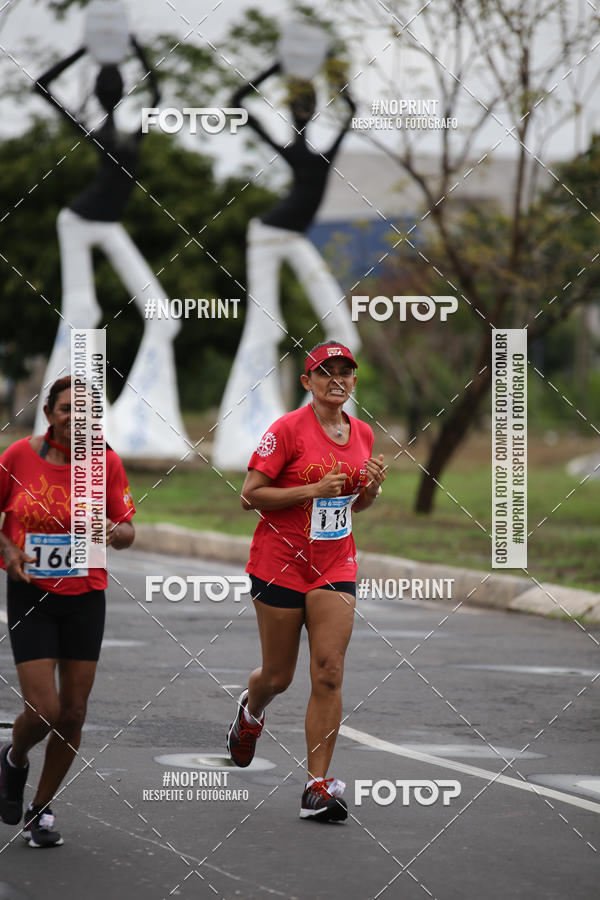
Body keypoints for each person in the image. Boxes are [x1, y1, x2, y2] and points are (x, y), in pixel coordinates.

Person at [227, 341, 386, 822]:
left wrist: (371, 488)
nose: (336, 379)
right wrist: (312, 489)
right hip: (280, 562)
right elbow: (249, 495)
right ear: (307, 382)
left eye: (345, 372)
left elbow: (354, 505)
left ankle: (317, 786)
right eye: (325, 372)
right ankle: (251, 711)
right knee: (278, 676)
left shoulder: (363, 434)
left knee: (329, 671)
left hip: (335, 564)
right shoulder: (287, 430)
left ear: (354, 381)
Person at [32, 38, 190, 457]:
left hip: (108, 224)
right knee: (81, 314)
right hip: (79, 222)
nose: (113, 87)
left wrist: (132, 47)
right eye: (110, 81)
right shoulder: (96, 129)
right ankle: (64, 426)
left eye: (115, 81)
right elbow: (42, 86)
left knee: (164, 316)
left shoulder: (131, 129)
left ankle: (143, 424)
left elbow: (157, 93)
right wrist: (85, 48)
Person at [0, 376, 135, 847]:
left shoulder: (107, 464)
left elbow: (128, 528)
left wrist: (115, 533)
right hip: (31, 595)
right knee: (43, 710)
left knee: (73, 713)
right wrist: (8, 550)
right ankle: (14, 758)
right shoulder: (17, 457)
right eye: (65, 410)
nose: (75, 420)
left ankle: (41, 809)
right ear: (49, 414)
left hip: (85, 597)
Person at [212, 63, 360, 469]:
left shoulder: (323, 149)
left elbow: (352, 110)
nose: (303, 111)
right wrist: (278, 67)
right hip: (265, 236)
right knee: (265, 328)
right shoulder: (292, 148)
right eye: (298, 104)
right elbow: (237, 102)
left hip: (292, 238)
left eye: (307, 105)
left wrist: (332, 74)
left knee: (345, 333)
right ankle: (247, 435)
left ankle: (324, 435)